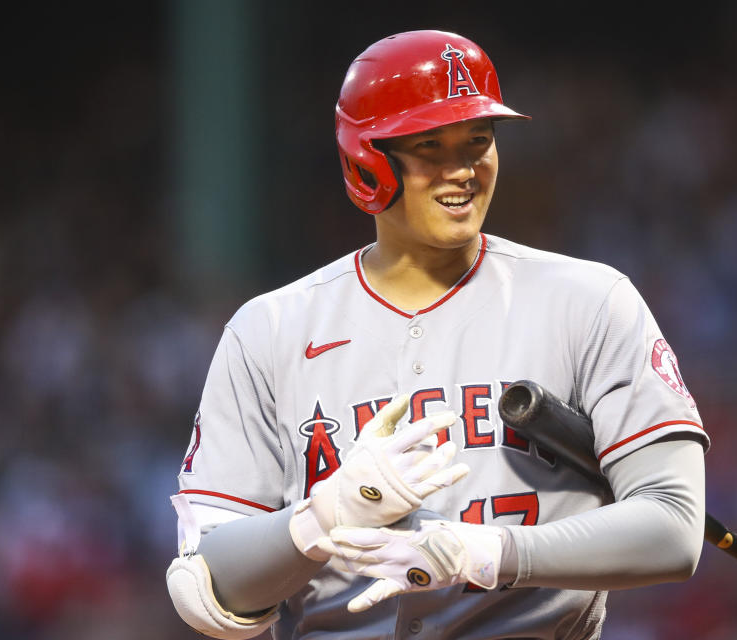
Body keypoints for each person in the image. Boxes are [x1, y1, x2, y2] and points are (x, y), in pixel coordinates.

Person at [166, 30, 708, 640]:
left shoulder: (589, 302)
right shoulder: (269, 330)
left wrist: (486, 553)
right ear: (367, 161)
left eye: (478, 141)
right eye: (430, 146)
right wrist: (321, 519)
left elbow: (673, 525)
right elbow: (207, 588)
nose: (464, 170)